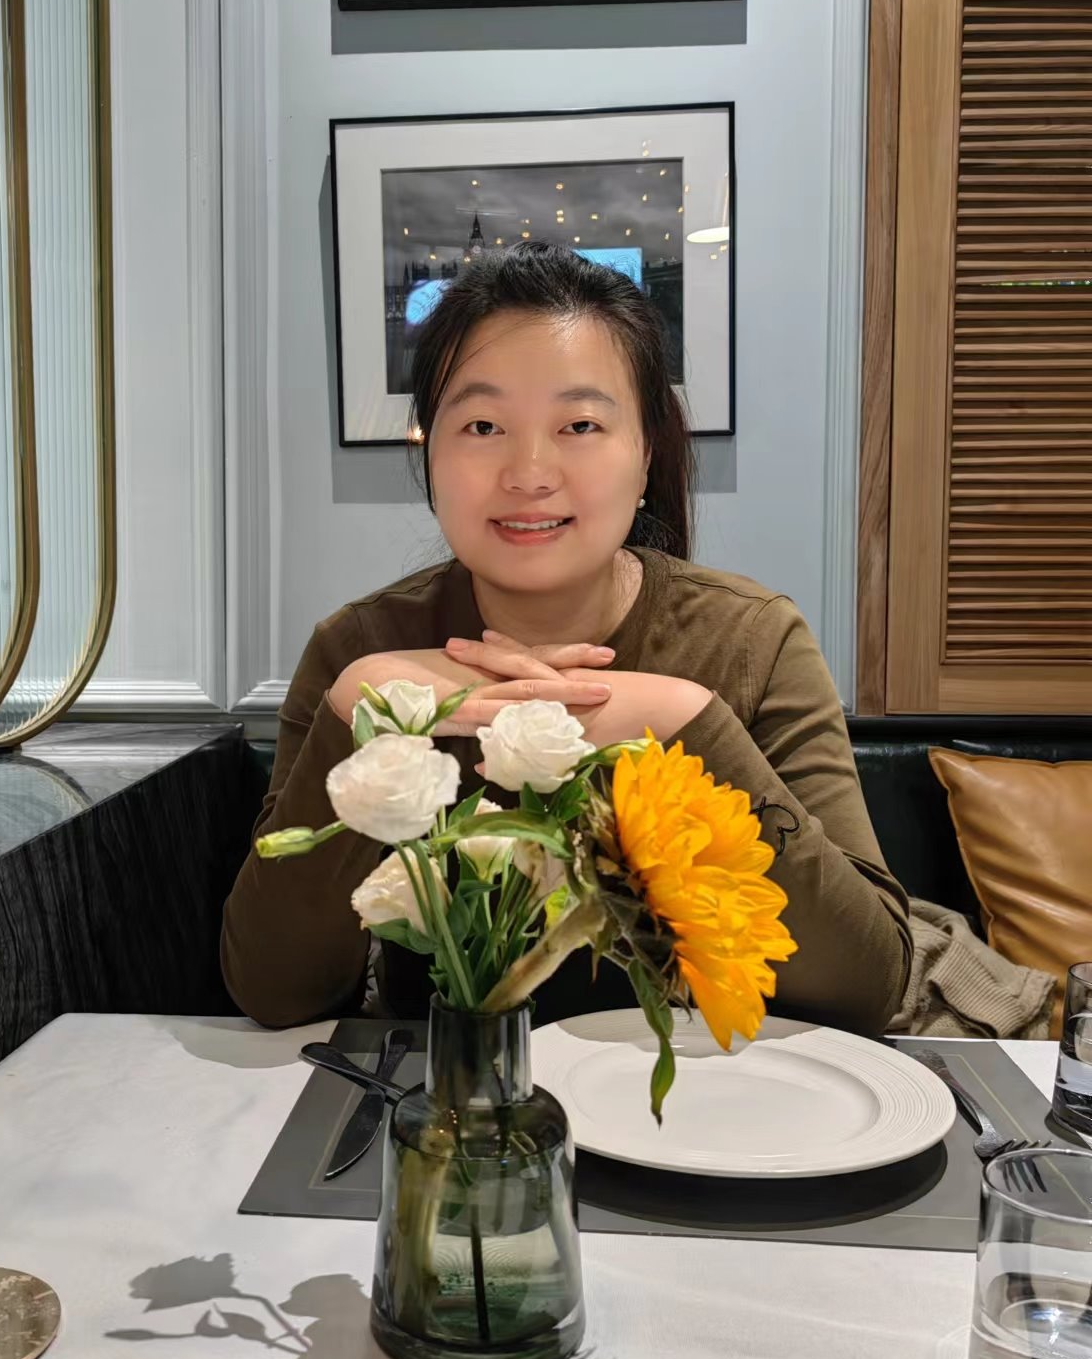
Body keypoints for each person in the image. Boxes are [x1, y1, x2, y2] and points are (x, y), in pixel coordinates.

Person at [222, 243, 910, 1032]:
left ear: (646, 454)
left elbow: (868, 984)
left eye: (580, 424)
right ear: (430, 453)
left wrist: (684, 723)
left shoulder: (752, 641)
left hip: (711, 1084)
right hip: (460, 1091)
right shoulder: (362, 651)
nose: (529, 471)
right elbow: (276, 993)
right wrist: (359, 717)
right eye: (483, 425)